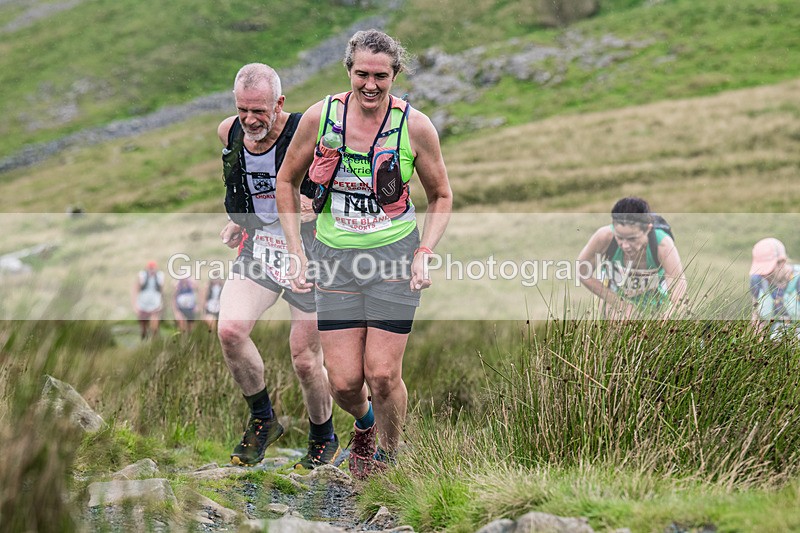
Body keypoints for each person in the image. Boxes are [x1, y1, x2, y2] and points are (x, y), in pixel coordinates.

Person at [276, 29, 453, 479]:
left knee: (382, 374)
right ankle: (366, 424)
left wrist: (425, 251)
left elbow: (441, 196)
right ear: (348, 71)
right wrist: (296, 251)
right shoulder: (320, 118)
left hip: (393, 257)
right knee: (344, 382)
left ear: (395, 75)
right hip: (333, 259)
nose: (370, 85)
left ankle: (389, 460)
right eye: (362, 74)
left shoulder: (414, 126)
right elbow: (286, 181)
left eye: (381, 76)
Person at [216, 63, 336, 469]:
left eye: (259, 111)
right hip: (260, 249)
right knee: (230, 331)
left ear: (279, 104)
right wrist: (238, 219)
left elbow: (346, 182)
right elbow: (244, 184)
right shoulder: (229, 132)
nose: (249, 120)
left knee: (304, 359)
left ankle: (323, 437)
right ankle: (263, 419)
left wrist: (319, 206)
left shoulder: (306, 131)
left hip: (311, 252)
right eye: (242, 109)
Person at [577, 197, 687, 318]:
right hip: (614, 293)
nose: (625, 245)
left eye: (632, 239)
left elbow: (678, 288)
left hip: (655, 295)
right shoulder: (604, 236)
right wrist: (621, 305)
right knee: (618, 324)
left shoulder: (663, 245)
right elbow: (582, 273)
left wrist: (669, 317)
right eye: (619, 237)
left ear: (648, 229)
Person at [749, 238, 800, 340]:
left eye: (768, 270)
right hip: (771, 342)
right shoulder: (757, 281)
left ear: (782, 262)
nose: (765, 275)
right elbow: (757, 318)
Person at [131, 260, 164, 339]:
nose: (152, 270)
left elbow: (162, 291)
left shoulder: (160, 277)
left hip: (155, 304)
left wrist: (162, 303)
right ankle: (144, 339)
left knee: (154, 325)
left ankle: (154, 340)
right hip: (143, 304)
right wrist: (135, 305)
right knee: (143, 327)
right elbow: (135, 290)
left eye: (153, 268)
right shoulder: (142, 276)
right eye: (150, 268)